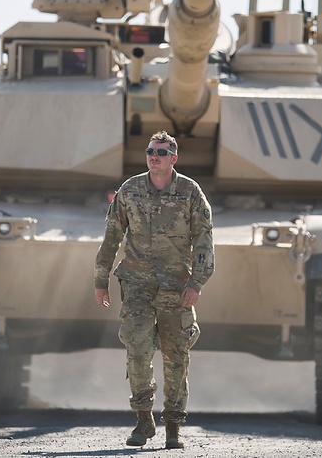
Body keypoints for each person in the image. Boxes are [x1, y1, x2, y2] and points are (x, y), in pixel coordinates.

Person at [94, 131, 215, 449]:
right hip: (136, 285)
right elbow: (112, 235)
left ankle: (174, 425)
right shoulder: (130, 189)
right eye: (150, 151)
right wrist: (100, 279)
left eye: (161, 152)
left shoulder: (189, 191)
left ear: (173, 157)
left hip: (176, 287)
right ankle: (143, 420)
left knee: (176, 357)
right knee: (137, 352)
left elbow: (203, 239)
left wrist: (196, 282)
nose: (154, 156)